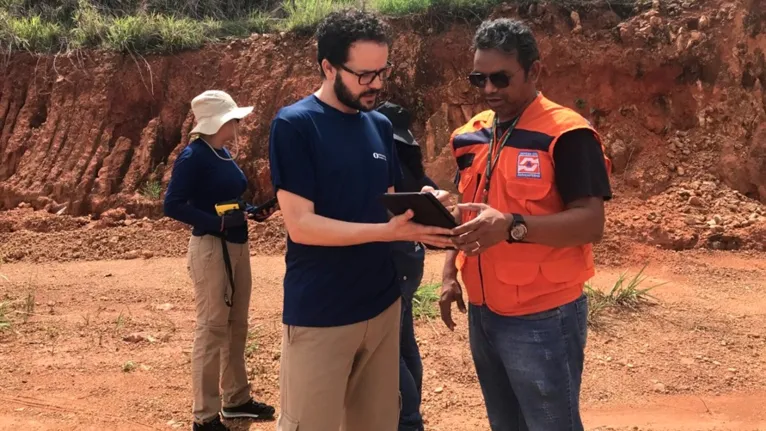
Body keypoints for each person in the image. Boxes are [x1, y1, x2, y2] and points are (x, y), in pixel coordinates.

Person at [268, 9, 453, 431]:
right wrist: (387, 232)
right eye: (364, 75)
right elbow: (301, 225)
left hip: (382, 306)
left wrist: (422, 202)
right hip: (321, 311)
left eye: (382, 72)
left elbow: (385, 203)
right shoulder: (295, 126)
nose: (376, 85)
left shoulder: (379, 124)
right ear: (328, 67)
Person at [438, 19, 613, 431]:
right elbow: (465, 211)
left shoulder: (568, 135)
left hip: (544, 315)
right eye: (479, 78)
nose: (488, 89)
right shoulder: (470, 134)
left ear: (534, 71)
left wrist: (514, 226)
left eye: (501, 78)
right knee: (505, 424)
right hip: (483, 311)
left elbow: (591, 223)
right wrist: (449, 273)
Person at [164, 90, 277, 431]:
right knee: (212, 329)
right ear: (220, 121)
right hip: (212, 248)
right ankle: (205, 415)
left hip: (235, 245)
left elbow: (225, 199)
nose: (239, 123)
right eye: (234, 118)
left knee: (236, 325)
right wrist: (218, 223)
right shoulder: (193, 156)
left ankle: (236, 399)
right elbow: (173, 204)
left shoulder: (220, 152)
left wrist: (249, 212)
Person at [376, 101, 442, 431]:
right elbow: (432, 190)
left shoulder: (386, 160)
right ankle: (410, 417)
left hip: (395, 259)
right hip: (412, 259)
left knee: (390, 349)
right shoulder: (409, 160)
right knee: (404, 342)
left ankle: (408, 421)